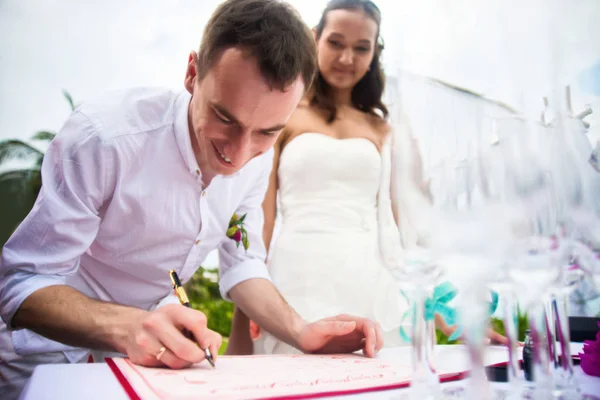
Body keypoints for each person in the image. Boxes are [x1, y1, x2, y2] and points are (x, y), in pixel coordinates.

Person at [0, 1, 384, 398]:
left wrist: (302, 331)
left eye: (268, 131)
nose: (238, 155)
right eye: (225, 118)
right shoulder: (104, 138)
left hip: (148, 369)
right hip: (42, 362)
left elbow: (244, 262)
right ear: (192, 73)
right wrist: (129, 327)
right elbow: (22, 282)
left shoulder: (257, 159)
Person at [227, 0, 507, 355]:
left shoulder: (384, 130)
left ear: (375, 53)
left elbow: (410, 230)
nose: (347, 58)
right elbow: (258, 223)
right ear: (314, 38)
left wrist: (456, 323)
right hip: (296, 274)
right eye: (336, 43)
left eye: (361, 48)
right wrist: (244, 313)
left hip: (372, 279)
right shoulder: (284, 115)